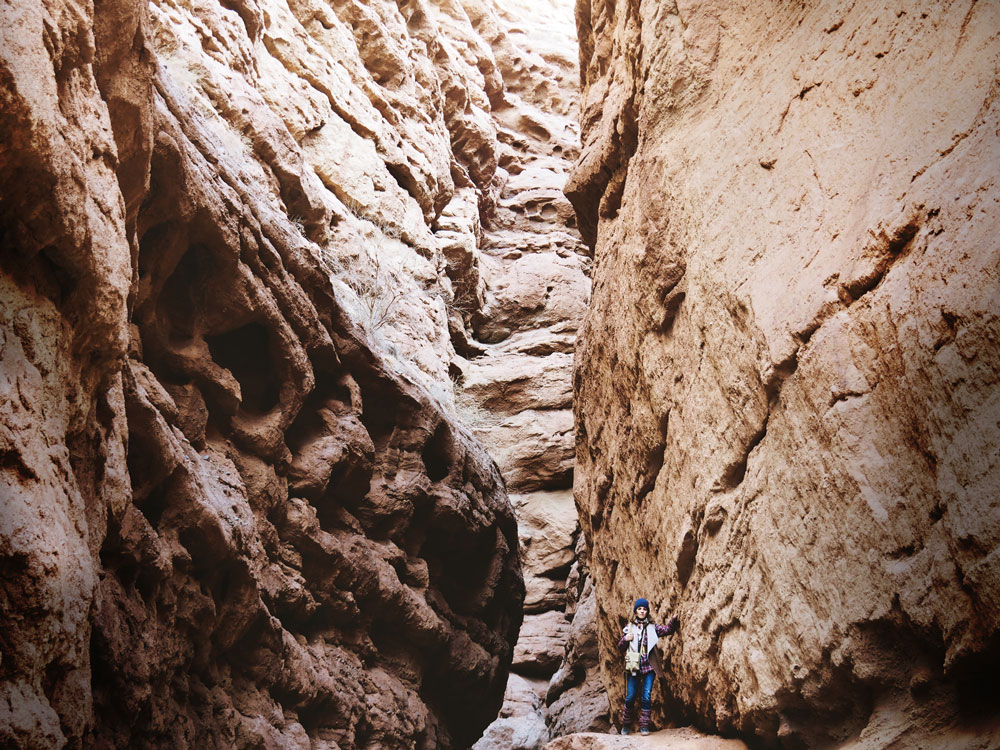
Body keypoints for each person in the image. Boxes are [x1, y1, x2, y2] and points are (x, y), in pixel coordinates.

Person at [617, 598, 679, 736]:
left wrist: (674, 619)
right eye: (639, 609)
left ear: (647, 611)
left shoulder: (653, 627)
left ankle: (644, 727)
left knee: (646, 696)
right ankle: (626, 725)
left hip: (649, 667)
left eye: (644, 609)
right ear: (635, 611)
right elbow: (620, 647)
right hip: (634, 667)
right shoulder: (629, 627)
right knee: (630, 697)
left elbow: (667, 630)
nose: (642, 611)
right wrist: (625, 639)